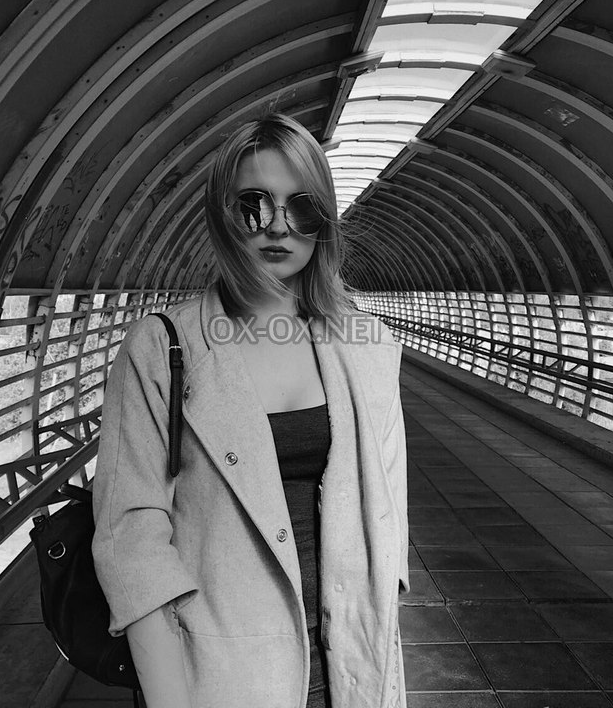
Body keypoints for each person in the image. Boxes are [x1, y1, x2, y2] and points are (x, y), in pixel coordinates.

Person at [92, 113, 409, 708]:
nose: (279, 226)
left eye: (302, 208)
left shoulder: (368, 347)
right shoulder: (163, 347)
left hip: (354, 667)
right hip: (221, 675)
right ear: (222, 213)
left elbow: (388, 514)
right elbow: (130, 535)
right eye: (254, 206)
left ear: (324, 220)